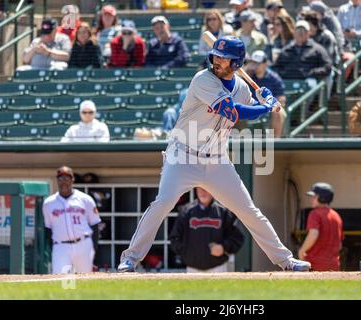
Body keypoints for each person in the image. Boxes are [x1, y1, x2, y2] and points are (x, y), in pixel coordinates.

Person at [117, 36, 311, 273]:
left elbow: (247, 106)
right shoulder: (202, 79)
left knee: (248, 211)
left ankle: (286, 261)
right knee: (163, 203)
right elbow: (235, 111)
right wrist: (265, 107)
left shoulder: (241, 87)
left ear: (236, 63)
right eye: (216, 56)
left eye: (224, 58)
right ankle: (130, 258)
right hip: (183, 156)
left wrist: (263, 100)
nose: (217, 60)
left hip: (217, 159)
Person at [170, 187, 244, 273]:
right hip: (192, 268)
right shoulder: (186, 211)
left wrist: (224, 247)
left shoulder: (224, 211)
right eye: (199, 189)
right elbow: (174, 238)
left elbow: (237, 236)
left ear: (212, 189)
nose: (202, 192)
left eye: (205, 188)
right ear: (196, 190)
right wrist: (188, 253)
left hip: (218, 267)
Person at [42, 166, 101, 274]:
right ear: (57, 180)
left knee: (84, 279)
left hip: (83, 244)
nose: (63, 182)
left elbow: (95, 225)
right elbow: (48, 230)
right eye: (60, 179)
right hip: (61, 246)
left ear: (72, 179)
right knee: (63, 281)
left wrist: (93, 248)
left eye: (66, 178)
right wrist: (54, 247)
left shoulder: (85, 199)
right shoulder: (49, 203)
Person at [298, 183, 343, 271]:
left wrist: (301, 251)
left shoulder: (315, 213)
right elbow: (340, 245)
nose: (312, 199)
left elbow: (313, 234)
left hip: (314, 265)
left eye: (314, 197)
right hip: (334, 266)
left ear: (322, 198)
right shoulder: (336, 216)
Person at [244, 50, 286, 137]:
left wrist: (269, 105)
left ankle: (275, 142)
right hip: (251, 104)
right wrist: (246, 70)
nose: (254, 66)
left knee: (278, 112)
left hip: (270, 105)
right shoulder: (248, 76)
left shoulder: (274, 78)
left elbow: (281, 99)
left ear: (265, 64)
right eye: (253, 63)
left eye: (257, 63)